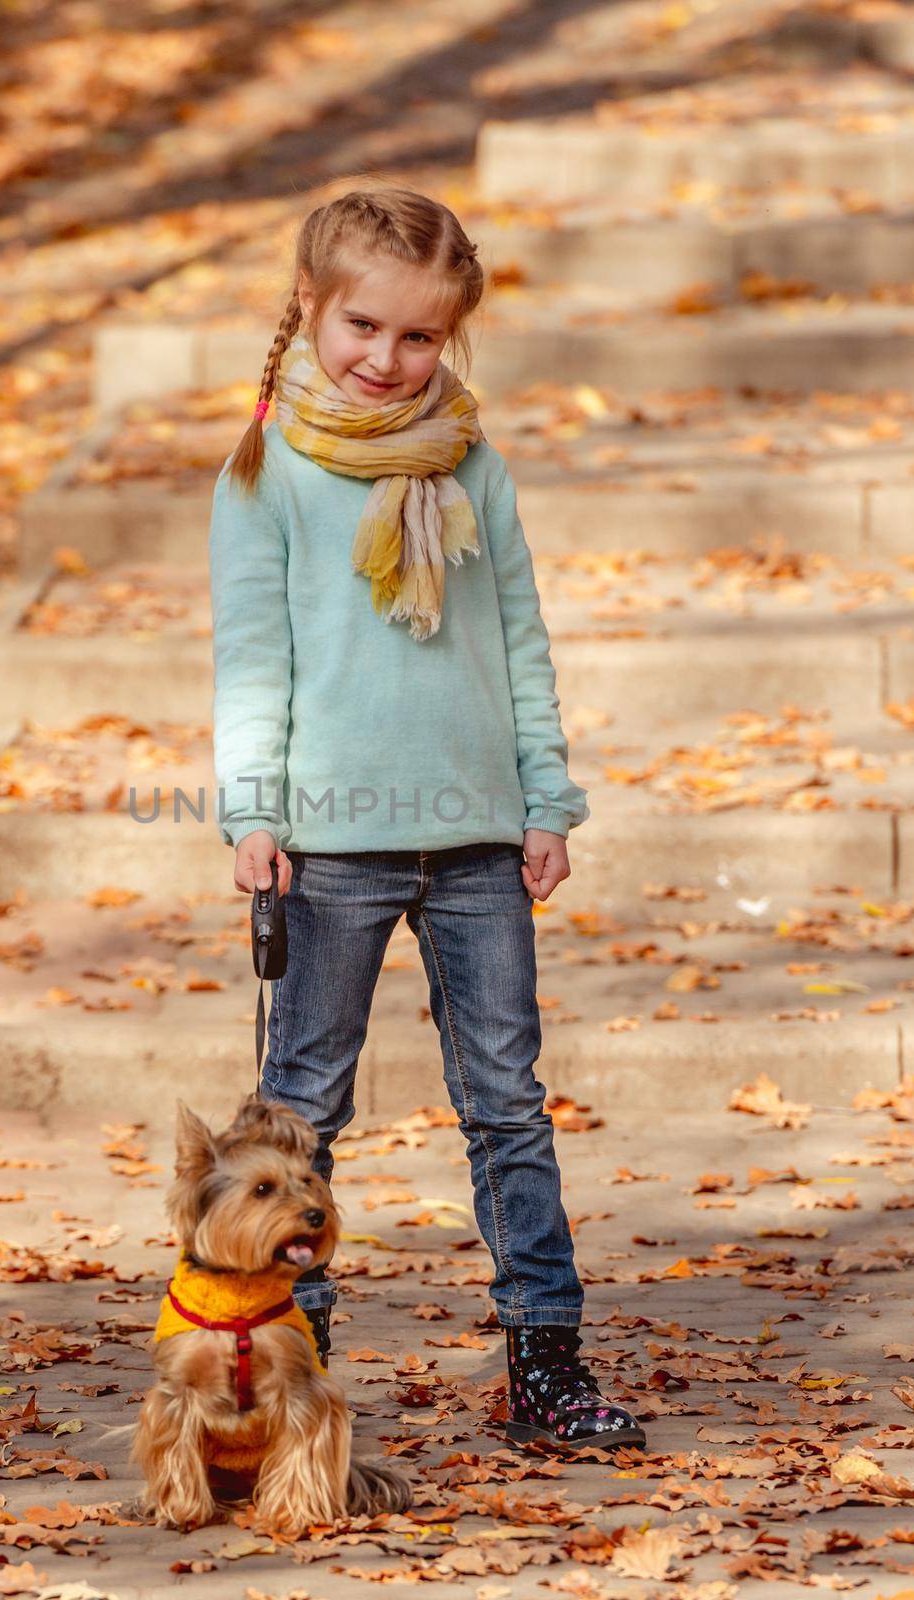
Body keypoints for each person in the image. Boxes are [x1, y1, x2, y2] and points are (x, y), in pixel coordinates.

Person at [207, 185, 645, 1453]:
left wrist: (543, 798)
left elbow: (516, 638)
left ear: (447, 340)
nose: (387, 360)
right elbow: (252, 658)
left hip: (474, 840)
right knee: (303, 1105)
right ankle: (288, 1366)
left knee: (506, 1099)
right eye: (363, 327)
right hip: (331, 842)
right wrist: (252, 808)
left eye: (417, 340)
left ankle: (543, 1361)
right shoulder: (265, 473)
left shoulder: (473, 466)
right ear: (309, 306)